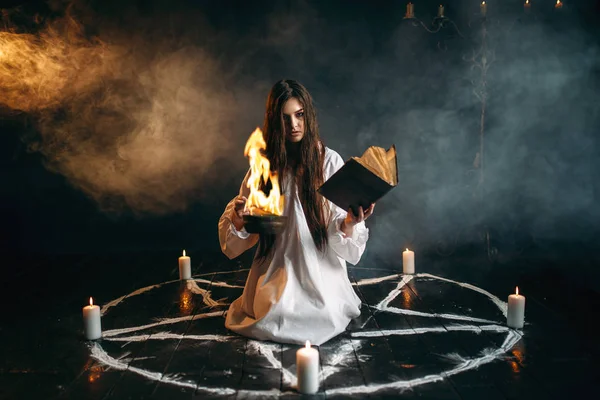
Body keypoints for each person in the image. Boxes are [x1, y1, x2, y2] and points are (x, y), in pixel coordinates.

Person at [218, 79, 375, 346]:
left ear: (308, 115)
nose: (294, 125)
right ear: (274, 120)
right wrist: (239, 220)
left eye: (299, 115)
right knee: (272, 312)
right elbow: (241, 238)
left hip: (320, 271)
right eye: (285, 117)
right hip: (276, 268)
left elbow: (342, 233)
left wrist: (349, 223)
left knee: (325, 314)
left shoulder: (328, 161)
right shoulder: (264, 166)